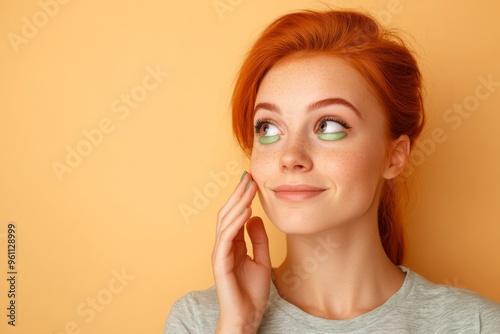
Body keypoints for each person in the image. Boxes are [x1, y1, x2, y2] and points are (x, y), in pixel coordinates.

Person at [165, 9, 500, 333]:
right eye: (268, 128)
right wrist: (238, 327)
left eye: (328, 125)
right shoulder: (200, 321)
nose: (290, 156)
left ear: (394, 157)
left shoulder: (477, 325)